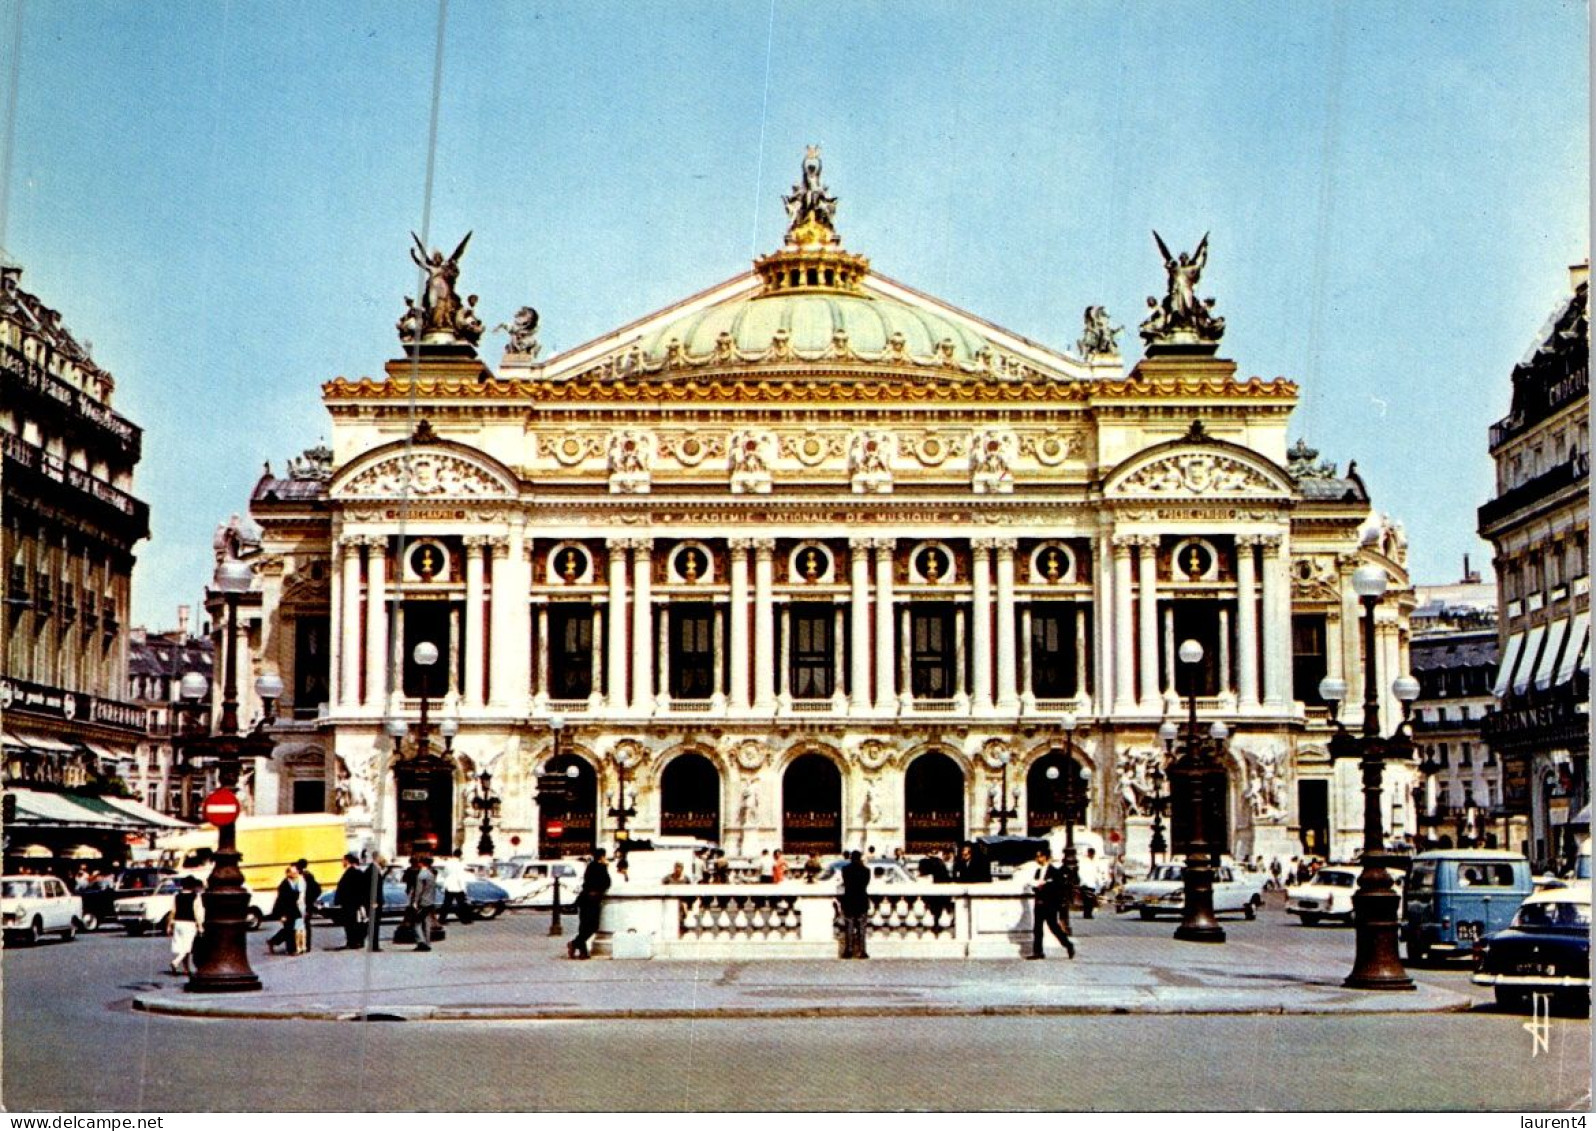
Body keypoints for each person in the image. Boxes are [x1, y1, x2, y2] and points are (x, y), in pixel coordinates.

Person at [1026, 849, 1075, 960]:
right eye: (1037, 856)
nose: (1037, 859)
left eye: (1039, 856)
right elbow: (1035, 886)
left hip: (1049, 904)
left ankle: (1068, 944)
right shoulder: (1038, 871)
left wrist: (1045, 886)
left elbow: (1059, 888)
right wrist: (1036, 887)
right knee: (1037, 928)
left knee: (1053, 927)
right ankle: (1038, 952)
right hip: (1039, 903)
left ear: (1046, 857)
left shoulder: (1054, 872)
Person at [568, 848, 611, 960]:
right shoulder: (601, 867)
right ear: (602, 856)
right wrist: (606, 867)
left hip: (584, 899)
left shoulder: (590, 866)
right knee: (593, 926)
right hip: (593, 899)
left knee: (584, 926)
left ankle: (582, 950)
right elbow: (607, 882)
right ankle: (576, 944)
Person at [168, 875, 204, 975]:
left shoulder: (177, 896)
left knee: (181, 946)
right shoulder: (195, 896)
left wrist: (169, 925)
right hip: (189, 923)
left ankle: (186, 969)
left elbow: (173, 911)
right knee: (188, 947)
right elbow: (196, 912)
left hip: (178, 922)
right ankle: (175, 962)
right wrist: (200, 926)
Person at [838, 850, 871, 959]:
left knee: (849, 927)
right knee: (862, 928)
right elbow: (865, 884)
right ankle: (862, 951)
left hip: (849, 900)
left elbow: (846, 882)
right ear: (860, 858)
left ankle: (848, 950)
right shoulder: (866, 870)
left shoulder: (845, 869)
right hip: (862, 900)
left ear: (851, 858)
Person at [333, 854, 368, 950]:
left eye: (343, 860)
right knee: (352, 923)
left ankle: (354, 942)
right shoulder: (352, 872)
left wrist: (359, 903)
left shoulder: (354, 872)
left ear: (348, 861)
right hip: (350, 903)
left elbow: (358, 889)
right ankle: (354, 941)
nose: (342, 862)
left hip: (352, 903)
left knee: (352, 923)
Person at [266, 865, 303, 955]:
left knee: (290, 930)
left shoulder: (294, 883)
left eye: (296, 872)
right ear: (288, 873)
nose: (296, 874)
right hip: (286, 911)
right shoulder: (284, 885)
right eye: (293, 873)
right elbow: (281, 901)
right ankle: (291, 950)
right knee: (289, 930)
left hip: (294, 910)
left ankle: (272, 941)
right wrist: (282, 915)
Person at [409, 856, 437, 951]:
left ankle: (421, 942)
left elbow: (418, 890)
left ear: (421, 863)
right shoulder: (431, 874)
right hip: (430, 901)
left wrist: (415, 902)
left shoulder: (421, 875)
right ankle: (428, 942)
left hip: (423, 902)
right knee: (427, 922)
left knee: (416, 923)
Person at [295, 859, 322, 950]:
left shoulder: (305, 876)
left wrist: (308, 902)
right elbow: (317, 890)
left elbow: (314, 890)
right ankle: (305, 945)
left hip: (305, 904)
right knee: (305, 924)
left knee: (304, 925)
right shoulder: (308, 875)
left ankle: (305, 945)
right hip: (307, 904)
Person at [1076, 847, 1104, 920]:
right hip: (1085, 883)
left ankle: (1088, 913)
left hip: (1092, 883)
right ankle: (1087, 914)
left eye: (1092, 854)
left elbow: (1097, 872)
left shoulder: (1094, 862)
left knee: (1090, 900)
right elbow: (1081, 872)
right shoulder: (1084, 861)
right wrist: (1083, 881)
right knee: (1087, 900)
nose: (1092, 855)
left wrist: (1099, 882)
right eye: (1091, 854)